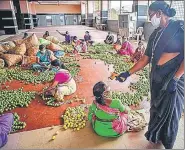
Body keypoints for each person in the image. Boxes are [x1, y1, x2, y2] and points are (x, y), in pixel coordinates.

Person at [116, 1, 184, 149]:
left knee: (170, 114)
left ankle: (168, 142)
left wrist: (176, 77)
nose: (150, 18)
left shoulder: (179, 28)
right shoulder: (155, 34)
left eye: (151, 15)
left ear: (160, 13)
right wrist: (128, 73)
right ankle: (156, 136)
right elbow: (146, 58)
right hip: (156, 79)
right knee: (156, 110)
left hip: (173, 80)